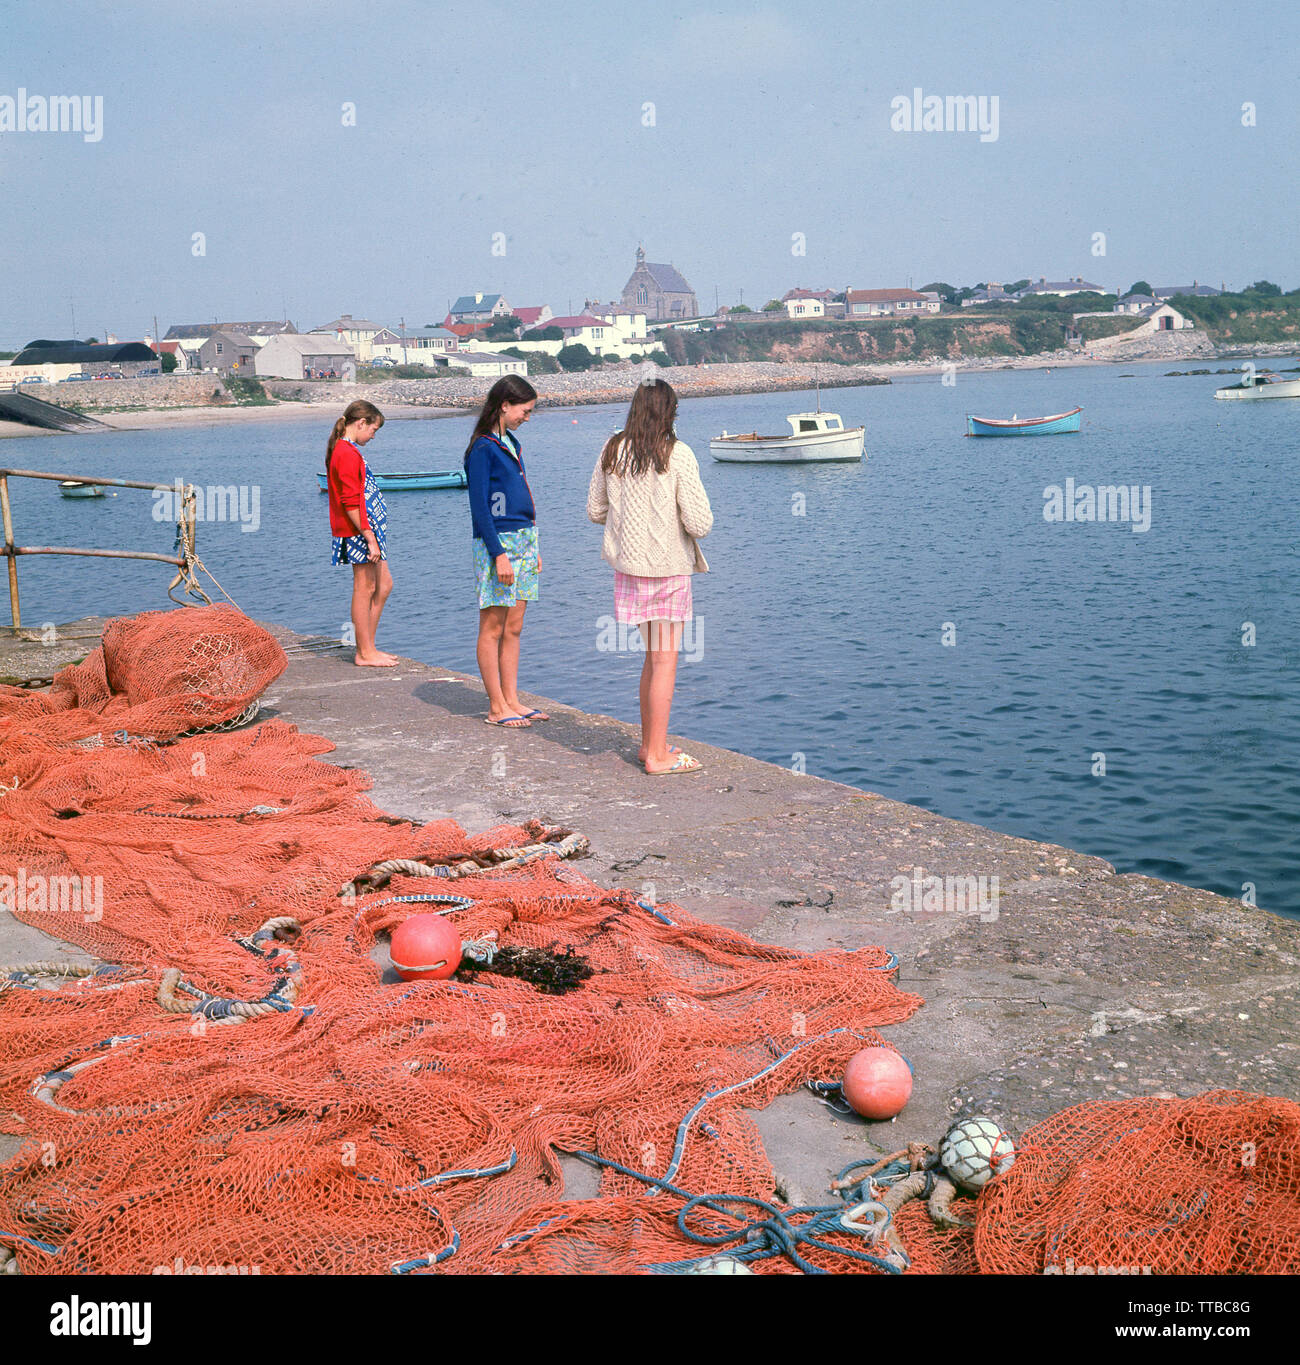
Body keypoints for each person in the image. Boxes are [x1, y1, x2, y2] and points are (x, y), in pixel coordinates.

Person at [587, 378, 712, 774]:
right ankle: (658, 757)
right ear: (670, 412)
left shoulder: (613, 449)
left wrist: (628, 526)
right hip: (668, 570)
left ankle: (649, 745)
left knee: (652, 660)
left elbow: (595, 510)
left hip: (629, 569)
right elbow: (699, 522)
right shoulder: (679, 454)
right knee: (665, 662)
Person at [464, 374, 547, 727]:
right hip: (498, 544)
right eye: (524, 411)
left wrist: (533, 548)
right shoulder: (482, 448)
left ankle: (512, 698)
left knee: (514, 627)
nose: (526, 417)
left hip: (525, 541)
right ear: (504, 406)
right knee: (493, 627)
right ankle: (496, 706)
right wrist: (498, 553)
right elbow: (480, 507)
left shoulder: (509, 442)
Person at [326, 399, 397, 666]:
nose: (373, 436)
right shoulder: (345, 452)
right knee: (364, 586)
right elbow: (350, 500)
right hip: (358, 531)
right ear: (361, 422)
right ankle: (364, 652)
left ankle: (368, 645)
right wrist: (368, 536)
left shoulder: (349, 450)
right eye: (373, 430)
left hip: (368, 530)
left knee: (383, 584)